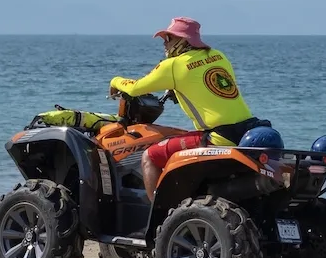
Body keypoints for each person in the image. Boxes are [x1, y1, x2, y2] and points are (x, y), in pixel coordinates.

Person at [109, 17, 269, 200]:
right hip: (247, 131)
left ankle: (159, 218)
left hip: (218, 137)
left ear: (183, 40)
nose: (165, 44)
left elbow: (136, 88)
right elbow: (211, 87)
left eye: (168, 38)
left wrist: (115, 81)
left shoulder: (172, 66)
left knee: (150, 156)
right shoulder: (218, 55)